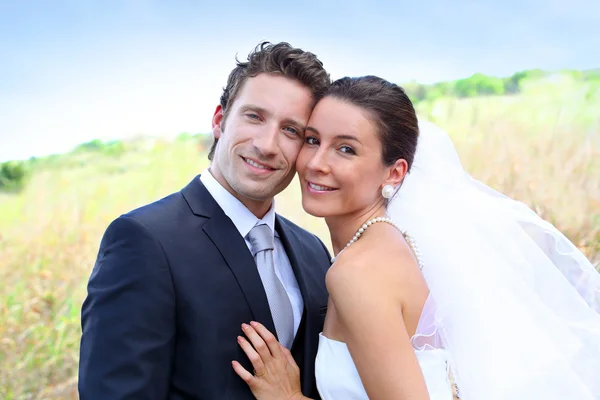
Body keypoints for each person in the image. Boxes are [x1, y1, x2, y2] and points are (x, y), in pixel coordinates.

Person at [231, 76, 600, 399]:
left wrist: (290, 397)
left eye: (346, 149)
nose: (315, 163)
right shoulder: (393, 243)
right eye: (312, 140)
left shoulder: (359, 272)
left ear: (394, 173)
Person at [78, 41, 333, 399]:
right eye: (254, 116)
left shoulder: (313, 251)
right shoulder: (144, 241)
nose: (267, 144)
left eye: (291, 130)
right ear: (219, 120)